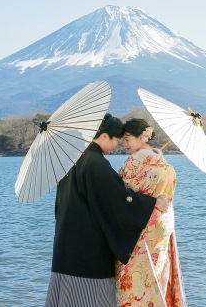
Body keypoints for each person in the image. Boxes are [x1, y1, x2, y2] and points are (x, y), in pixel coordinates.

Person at [46, 114, 169, 307]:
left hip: (66, 242)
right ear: (104, 136)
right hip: (88, 246)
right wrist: (152, 203)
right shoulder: (96, 163)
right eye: (116, 140)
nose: (116, 146)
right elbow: (119, 199)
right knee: (92, 298)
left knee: (67, 298)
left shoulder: (73, 159)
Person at [115, 118, 186, 307]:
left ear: (142, 137)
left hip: (142, 225)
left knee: (136, 276)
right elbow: (169, 197)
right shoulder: (165, 164)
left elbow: (121, 193)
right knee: (159, 272)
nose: (125, 143)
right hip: (164, 225)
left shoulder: (135, 162)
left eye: (128, 139)